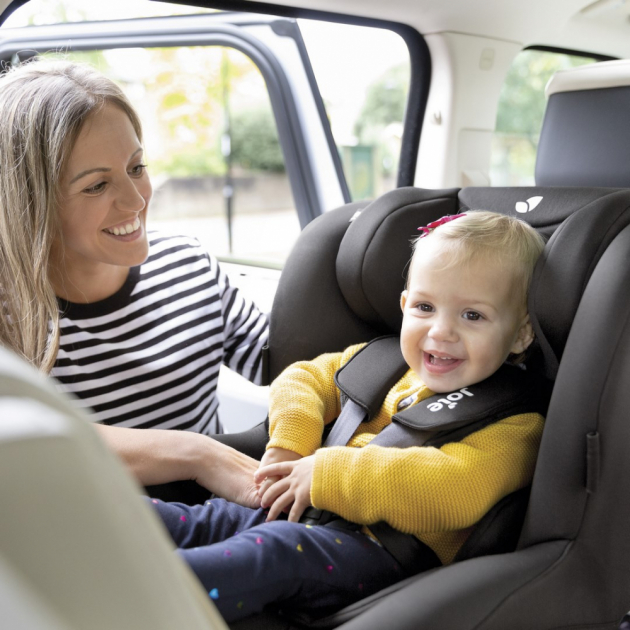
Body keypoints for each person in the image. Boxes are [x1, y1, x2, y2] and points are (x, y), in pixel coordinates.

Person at [148, 210, 548, 622]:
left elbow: (455, 488)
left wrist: (327, 475)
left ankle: (136, 599)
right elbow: (301, 379)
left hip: (377, 555)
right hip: (296, 510)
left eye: (472, 315)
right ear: (404, 304)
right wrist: (290, 445)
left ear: (521, 333)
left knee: (272, 553)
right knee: (178, 519)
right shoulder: (378, 363)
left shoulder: (517, 424)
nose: (441, 331)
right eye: (425, 307)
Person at [0, 59, 268, 503]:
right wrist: (193, 453)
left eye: (136, 167)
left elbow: (277, 360)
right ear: (31, 202)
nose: (135, 199)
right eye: (95, 186)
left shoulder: (188, 263)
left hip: (227, 527)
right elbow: (31, 447)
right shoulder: (10, 318)